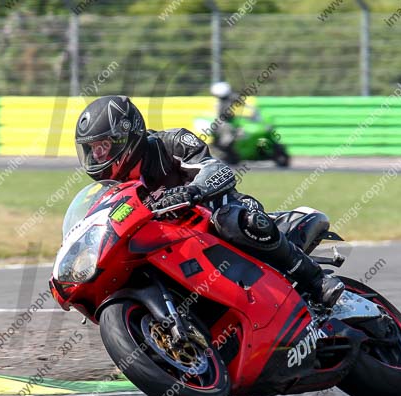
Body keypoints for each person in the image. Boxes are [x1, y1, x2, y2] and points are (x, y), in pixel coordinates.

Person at [74, 95, 344, 307]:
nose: (97, 156)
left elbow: (217, 169)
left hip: (218, 213)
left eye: (104, 146)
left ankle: (317, 281)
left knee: (232, 220)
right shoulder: (113, 187)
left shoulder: (171, 142)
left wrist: (192, 191)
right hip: (176, 242)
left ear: (126, 134)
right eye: (92, 149)